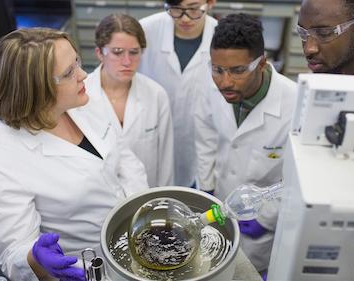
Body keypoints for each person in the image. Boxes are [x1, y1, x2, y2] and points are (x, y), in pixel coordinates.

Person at [0, 28, 148, 280]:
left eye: (77, 62)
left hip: (137, 241)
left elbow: (125, 159)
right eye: (69, 72)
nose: (83, 74)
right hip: (86, 268)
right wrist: (34, 258)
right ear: (36, 88)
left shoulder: (84, 100)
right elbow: (13, 253)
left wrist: (143, 211)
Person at [194, 14, 297, 272]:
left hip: (261, 229)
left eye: (238, 70)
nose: (225, 82)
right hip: (218, 208)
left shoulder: (294, 105)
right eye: (217, 69)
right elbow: (205, 138)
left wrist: (267, 216)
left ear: (261, 63)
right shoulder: (211, 87)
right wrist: (206, 188)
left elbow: (299, 176)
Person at [85, 14, 174, 187]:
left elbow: (166, 162)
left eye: (134, 52)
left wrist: (164, 200)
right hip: (99, 199)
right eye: (117, 52)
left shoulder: (156, 95)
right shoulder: (81, 96)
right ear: (100, 53)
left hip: (146, 197)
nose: (127, 62)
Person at [138, 0, 217, 187]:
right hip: (150, 132)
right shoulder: (146, 30)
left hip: (200, 138)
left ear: (211, 3)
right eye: (176, 9)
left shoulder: (221, 36)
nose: (185, 18)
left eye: (193, 9)